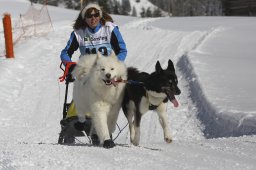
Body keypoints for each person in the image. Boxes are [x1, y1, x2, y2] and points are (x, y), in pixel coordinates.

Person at [59, 3, 127, 145]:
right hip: (87, 71)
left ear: (100, 15)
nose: (93, 18)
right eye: (89, 15)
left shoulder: (109, 29)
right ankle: (75, 119)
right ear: (84, 18)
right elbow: (65, 53)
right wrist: (70, 64)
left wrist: (115, 65)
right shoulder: (79, 33)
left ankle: (99, 128)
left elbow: (122, 49)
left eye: (96, 15)